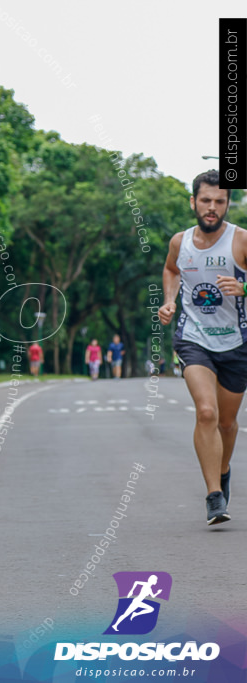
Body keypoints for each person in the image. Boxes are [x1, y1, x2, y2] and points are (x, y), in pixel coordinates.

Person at [158, 169, 242, 525]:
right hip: (194, 338)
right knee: (206, 412)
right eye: (206, 201)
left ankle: (222, 470)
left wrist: (245, 290)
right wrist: (169, 301)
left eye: (219, 202)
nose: (212, 208)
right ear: (193, 202)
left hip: (237, 343)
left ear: (227, 204)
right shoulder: (181, 242)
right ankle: (213, 496)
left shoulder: (241, 241)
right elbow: (171, 269)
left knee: (226, 423)